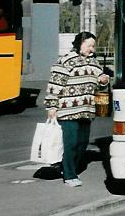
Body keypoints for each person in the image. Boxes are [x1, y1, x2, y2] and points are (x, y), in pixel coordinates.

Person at [45, 32, 110, 187]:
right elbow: (55, 84)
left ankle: (68, 168)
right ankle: (69, 175)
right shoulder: (66, 61)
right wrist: (52, 106)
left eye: (93, 46)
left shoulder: (94, 62)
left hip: (86, 109)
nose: (92, 49)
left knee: (82, 143)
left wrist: (104, 80)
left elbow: (100, 83)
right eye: (89, 46)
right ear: (79, 44)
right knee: (71, 143)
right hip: (68, 110)